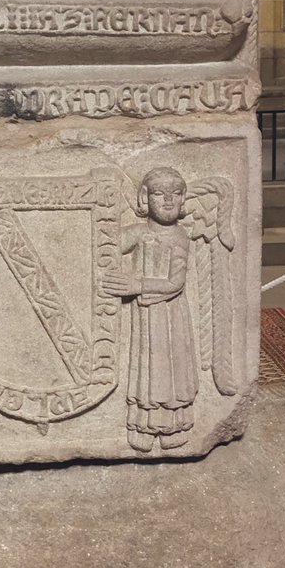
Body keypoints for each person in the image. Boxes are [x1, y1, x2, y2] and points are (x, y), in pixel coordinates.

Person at [102, 167, 198, 453]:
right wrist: (107, 212)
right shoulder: (139, 232)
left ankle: (174, 426)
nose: (168, 200)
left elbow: (174, 283)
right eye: (159, 193)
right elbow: (107, 244)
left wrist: (135, 283)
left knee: (170, 370)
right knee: (144, 369)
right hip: (145, 320)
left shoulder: (179, 236)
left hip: (170, 317)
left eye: (175, 193)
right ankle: (142, 425)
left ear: (183, 199)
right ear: (145, 198)